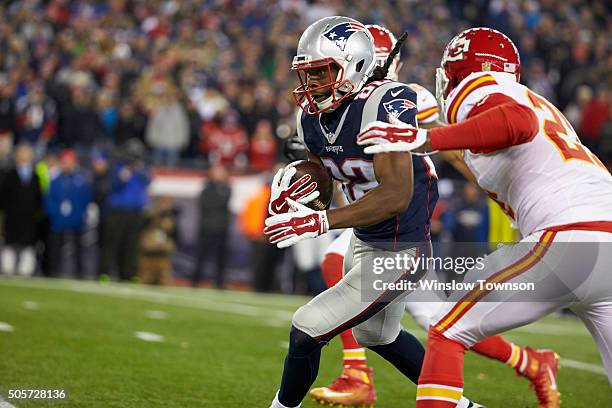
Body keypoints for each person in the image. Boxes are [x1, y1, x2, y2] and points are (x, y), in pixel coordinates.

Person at [357, 27, 612, 407]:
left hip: (571, 239)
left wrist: (426, 139)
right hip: (602, 243)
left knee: (447, 330)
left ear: (458, 72)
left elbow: (517, 121)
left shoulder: (485, 91)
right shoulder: (532, 102)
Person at [309, 24, 559, 408]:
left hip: (402, 219)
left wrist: (500, 195)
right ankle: (527, 363)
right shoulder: (333, 103)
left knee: (344, 267)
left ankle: (356, 372)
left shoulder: (403, 98)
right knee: (435, 318)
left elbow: (453, 150)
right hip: (372, 224)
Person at [263, 16, 480, 408]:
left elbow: (396, 194)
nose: (311, 85)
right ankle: (463, 406)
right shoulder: (309, 115)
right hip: (367, 239)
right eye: (307, 75)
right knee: (376, 336)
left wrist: (319, 221)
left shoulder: (387, 103)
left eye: (321, 73)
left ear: (354, 67)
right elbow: (326, 180)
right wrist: (302, 186)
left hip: (402, 247)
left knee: (306, 327)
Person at [98, 139, 150, 281]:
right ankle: (104, 272)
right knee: (112, 243)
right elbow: (112, 186)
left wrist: (137, 169)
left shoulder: (142, 168)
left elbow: (148, 181)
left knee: (131, 244)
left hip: (135, 211)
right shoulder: (118, 167)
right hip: (118, 210)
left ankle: (128, 273)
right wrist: (123, 175)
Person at [44, 149, 92, 278]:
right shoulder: (55, 180)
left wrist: (79, 215)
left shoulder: (80, 180)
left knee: (78, 248)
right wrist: (54, 214)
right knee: (55, 248)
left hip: (76, 219)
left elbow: (85, 199)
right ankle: (52, 271)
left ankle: (79, 272)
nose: (66, 165)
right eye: (64, 162)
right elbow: (49, 199)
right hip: (58, 220)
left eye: (69, 162)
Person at [0, 144, 42, 276]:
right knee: (10, 242)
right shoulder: (10, 175)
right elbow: (3, 195)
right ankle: (7, 267)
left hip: (29, 215)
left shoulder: (35, 177)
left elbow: (38, 197)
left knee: (28, 243)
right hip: (12, 214)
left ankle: (26, 269)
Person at [192, 163, 232, 289]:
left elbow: (224, 201)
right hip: (208, 227)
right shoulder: (206, 189)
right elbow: (210, 205)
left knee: (221, 258)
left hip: (221, 228)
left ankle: (219, 282)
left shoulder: (226, 188)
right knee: (202, 255)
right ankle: (195, 280)